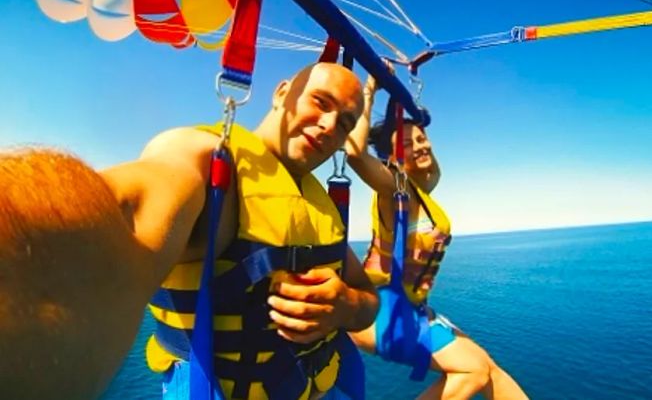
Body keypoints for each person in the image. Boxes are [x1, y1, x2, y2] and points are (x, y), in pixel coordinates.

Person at [0, 62, 378, 400]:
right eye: (321, 102)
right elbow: (127, 204)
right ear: (282, 93)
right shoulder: (208, 162)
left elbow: (368, 299)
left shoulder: (320, 203)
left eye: (345, 122)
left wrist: (346, 304)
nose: (330, 126)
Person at [345, 71, 528, 400]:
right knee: (473, 370)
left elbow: (433, 166)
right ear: (392, 158)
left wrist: (403, 105)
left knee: (490, 370)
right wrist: (371, 87)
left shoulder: (423, 190)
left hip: (411, 308)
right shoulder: (393, 188)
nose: (420, 146)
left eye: (421, 139)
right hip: (381, 309)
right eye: (408, 144)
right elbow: (356, 154)